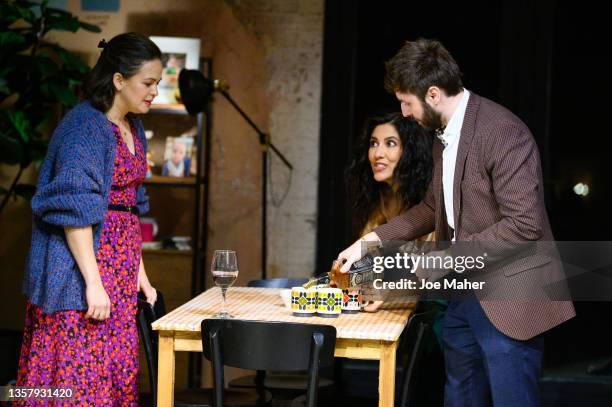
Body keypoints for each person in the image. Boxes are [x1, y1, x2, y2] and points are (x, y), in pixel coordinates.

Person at [338, 38, 575, 407]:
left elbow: (524, 225)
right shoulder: (442, 139)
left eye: (407, 102)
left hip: (511, 300)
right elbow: (433, 208)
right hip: (464, 298)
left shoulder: (502, 132)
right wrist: (368, 242)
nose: (403, 112)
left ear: (433, 94)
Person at [17, 32, 161, 405]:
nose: (154, 92)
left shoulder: (132, 126)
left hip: (119, 268)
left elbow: (129, 206)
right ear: (119, 80)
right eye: (148, 83)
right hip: (83, 271)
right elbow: (73, 211)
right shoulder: (85, 127)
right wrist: (92, 283)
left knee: (111, 374)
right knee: (76, 379)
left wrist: (140, 276)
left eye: (157, 84)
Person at [345, 112, 434, 312]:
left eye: (390, 143)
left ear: (410, 152)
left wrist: (388, 291)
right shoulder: (379, 200)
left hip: (438, 309)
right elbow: (366, 260)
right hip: (398, 308)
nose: (378, 153)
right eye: (374, 143)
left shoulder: (430, 202)